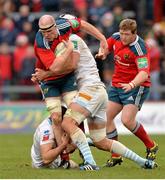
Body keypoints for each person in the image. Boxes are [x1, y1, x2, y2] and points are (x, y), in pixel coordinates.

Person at [33, 34, 157, 171]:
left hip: (91, 89)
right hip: (98, 91)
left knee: (67, 123)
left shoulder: (72, 41)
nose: (49, 37)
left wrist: (46, 75)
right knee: (101, 141)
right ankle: (142, 162)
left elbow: (68, 66)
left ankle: (90, 161)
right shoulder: (70, 42)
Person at [32, 14, 108, 160]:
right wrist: (68, 50)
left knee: (73, 111)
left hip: (66, 78)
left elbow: (83, 24)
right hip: (49, 81)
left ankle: (82, 148)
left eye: (49, 30)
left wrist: (102, 38)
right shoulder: (41, 43)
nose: (46, 35)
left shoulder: (64, 24)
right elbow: (55, 67)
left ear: (55, 25)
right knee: (56, 117)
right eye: (43, 32)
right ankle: (64, 155)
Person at [96, 18, 159, 167]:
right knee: (107, 118)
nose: (123, 37)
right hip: (117, 84)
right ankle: (116, 154)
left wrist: (131, 84)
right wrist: (103, 53)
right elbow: (106, 44)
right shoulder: (116, 37)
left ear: (134, 34)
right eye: (122, 33)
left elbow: (144, 73)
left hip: (137, 86)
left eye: (126, 34)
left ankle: (151, 145)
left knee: (127, 121)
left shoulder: (140, 48)